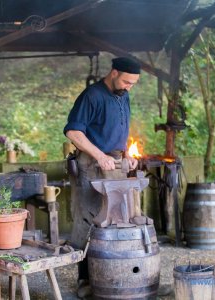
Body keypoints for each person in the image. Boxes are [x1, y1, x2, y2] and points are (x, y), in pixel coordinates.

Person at [63, 56, 141, 298]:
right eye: (127, 81)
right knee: (91, 219)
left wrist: (127, 155)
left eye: (133, 83)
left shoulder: (123, 95)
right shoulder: (92, 96)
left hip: (115, 162)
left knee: (117, 218)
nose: (129, 87)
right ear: (114, 72)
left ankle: (112, 274)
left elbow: (120, 130)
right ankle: (85, 279)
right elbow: (73, 132)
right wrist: (98, 155)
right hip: (91, 164)